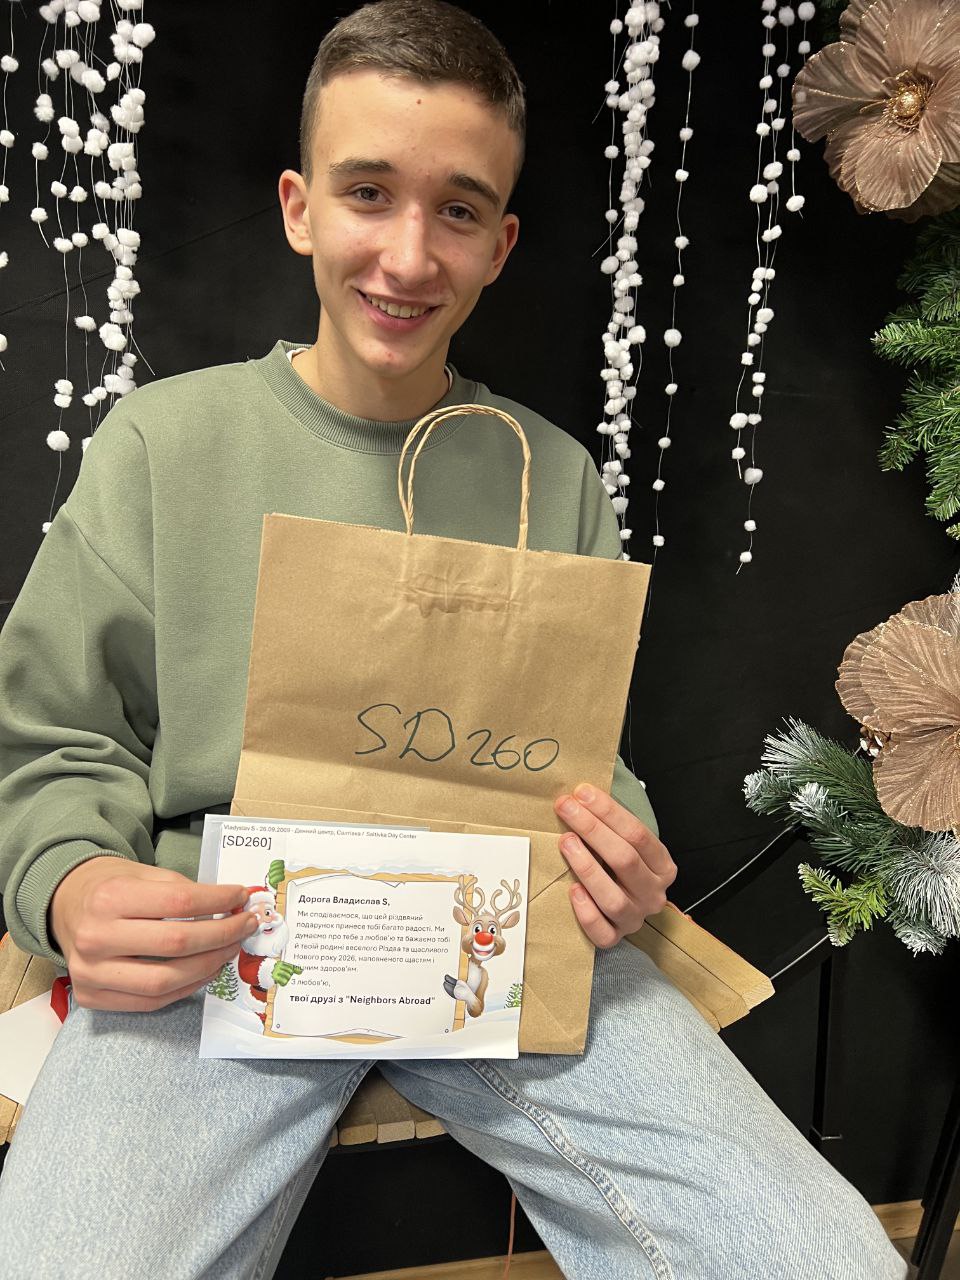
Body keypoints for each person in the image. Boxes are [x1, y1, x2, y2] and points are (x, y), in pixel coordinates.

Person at [0, 3, 908, 1277]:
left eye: (460, 209)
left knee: (825, 1258)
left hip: (502, 929)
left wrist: (621, 849)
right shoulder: (164, 441)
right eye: (368, 192)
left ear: (501, 244)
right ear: (300, 206)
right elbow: (54, 732)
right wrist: (71, 879)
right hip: (227, 935)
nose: (409, 254)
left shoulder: (553, 474)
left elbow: (580, 750)